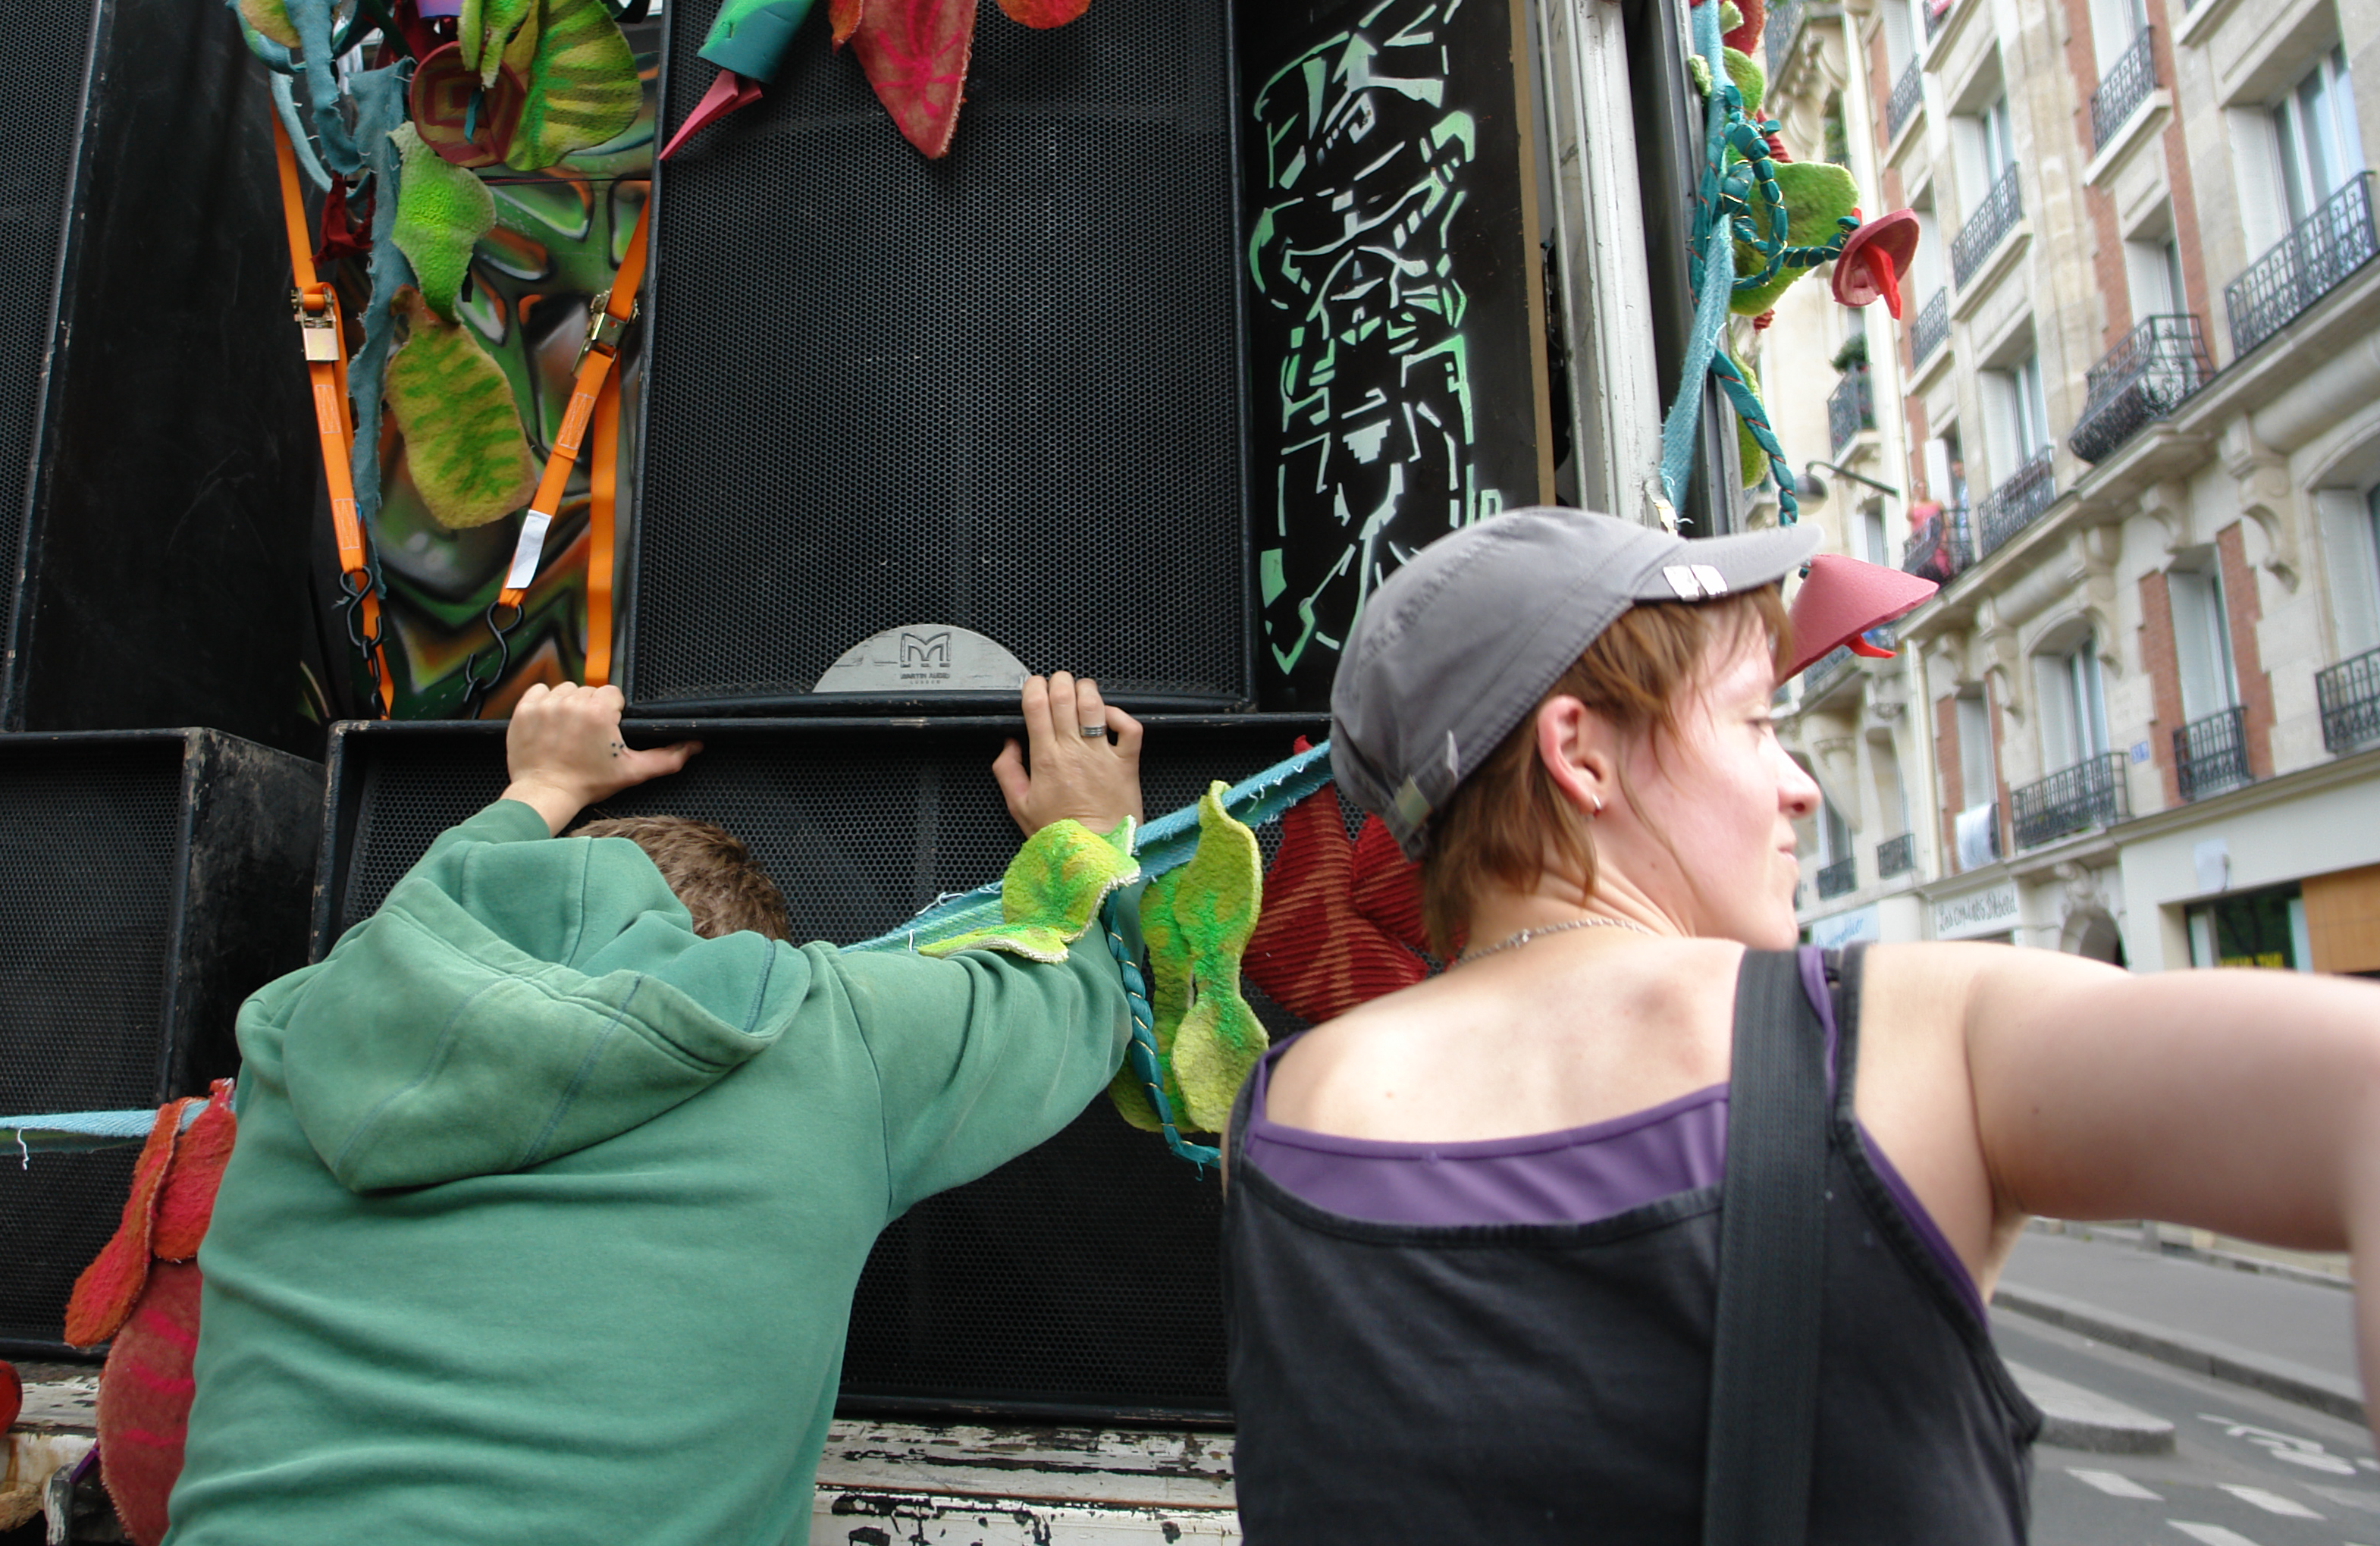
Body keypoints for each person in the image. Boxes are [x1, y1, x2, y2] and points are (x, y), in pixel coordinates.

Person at [1224, 506, 2380, 1543]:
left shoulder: (1277, 1117)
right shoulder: (1918, 1041)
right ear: (1579, 753)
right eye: (1757, 721)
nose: (1801, 786)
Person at [167, 674, 1142, 1545]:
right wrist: (1094, 829)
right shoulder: (818, 1038)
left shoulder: (299, 1032)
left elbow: (421, 923)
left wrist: (541, 787)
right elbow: (1079, 1004)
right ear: (747, 959)